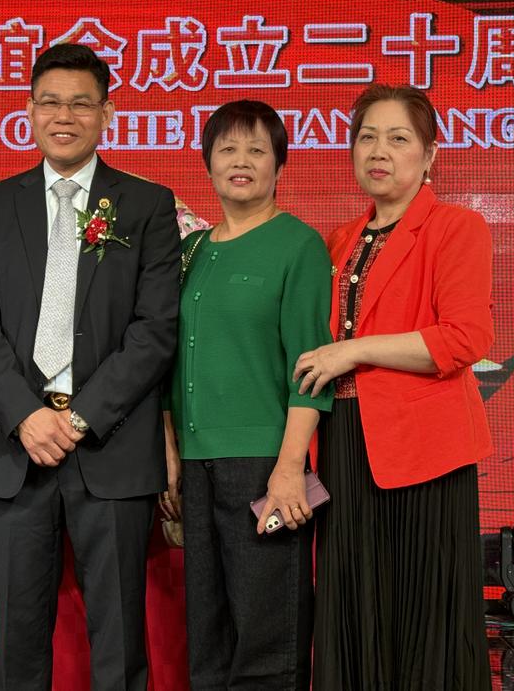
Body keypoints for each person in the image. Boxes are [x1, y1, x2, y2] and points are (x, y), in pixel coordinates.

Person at [0, 42, 181, 691]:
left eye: (81, 104)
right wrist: (27, 416)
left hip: (110, 445)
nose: (64, 116)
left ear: (106, 114)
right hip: (16, 449)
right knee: (19, 637)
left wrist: (79, 418)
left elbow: (154, 329)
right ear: (29, 112)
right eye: (50, 102)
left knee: (119, 637)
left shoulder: (146, 204)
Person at [295, 84, 494, 690]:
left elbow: (463, 338)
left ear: (430, 154)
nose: (378, 151)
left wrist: (353, 350)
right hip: (344, 445)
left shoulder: (455, 227)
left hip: (424, 449)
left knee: (423, 607)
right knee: (352, 599)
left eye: (398, 138)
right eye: (367, 137)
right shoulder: (337, 240)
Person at [159, 100, 333, 690]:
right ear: (207, 163)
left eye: (257, 150)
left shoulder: (298, 245)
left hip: (262, 463)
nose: (241, 161)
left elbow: (309, 369)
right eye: (227, 149)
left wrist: (289, 470)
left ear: (279, 165)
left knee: (267, 636)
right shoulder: (192, 250)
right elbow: (168, 359)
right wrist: (171, 448)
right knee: (207, 635)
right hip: (196, 464)